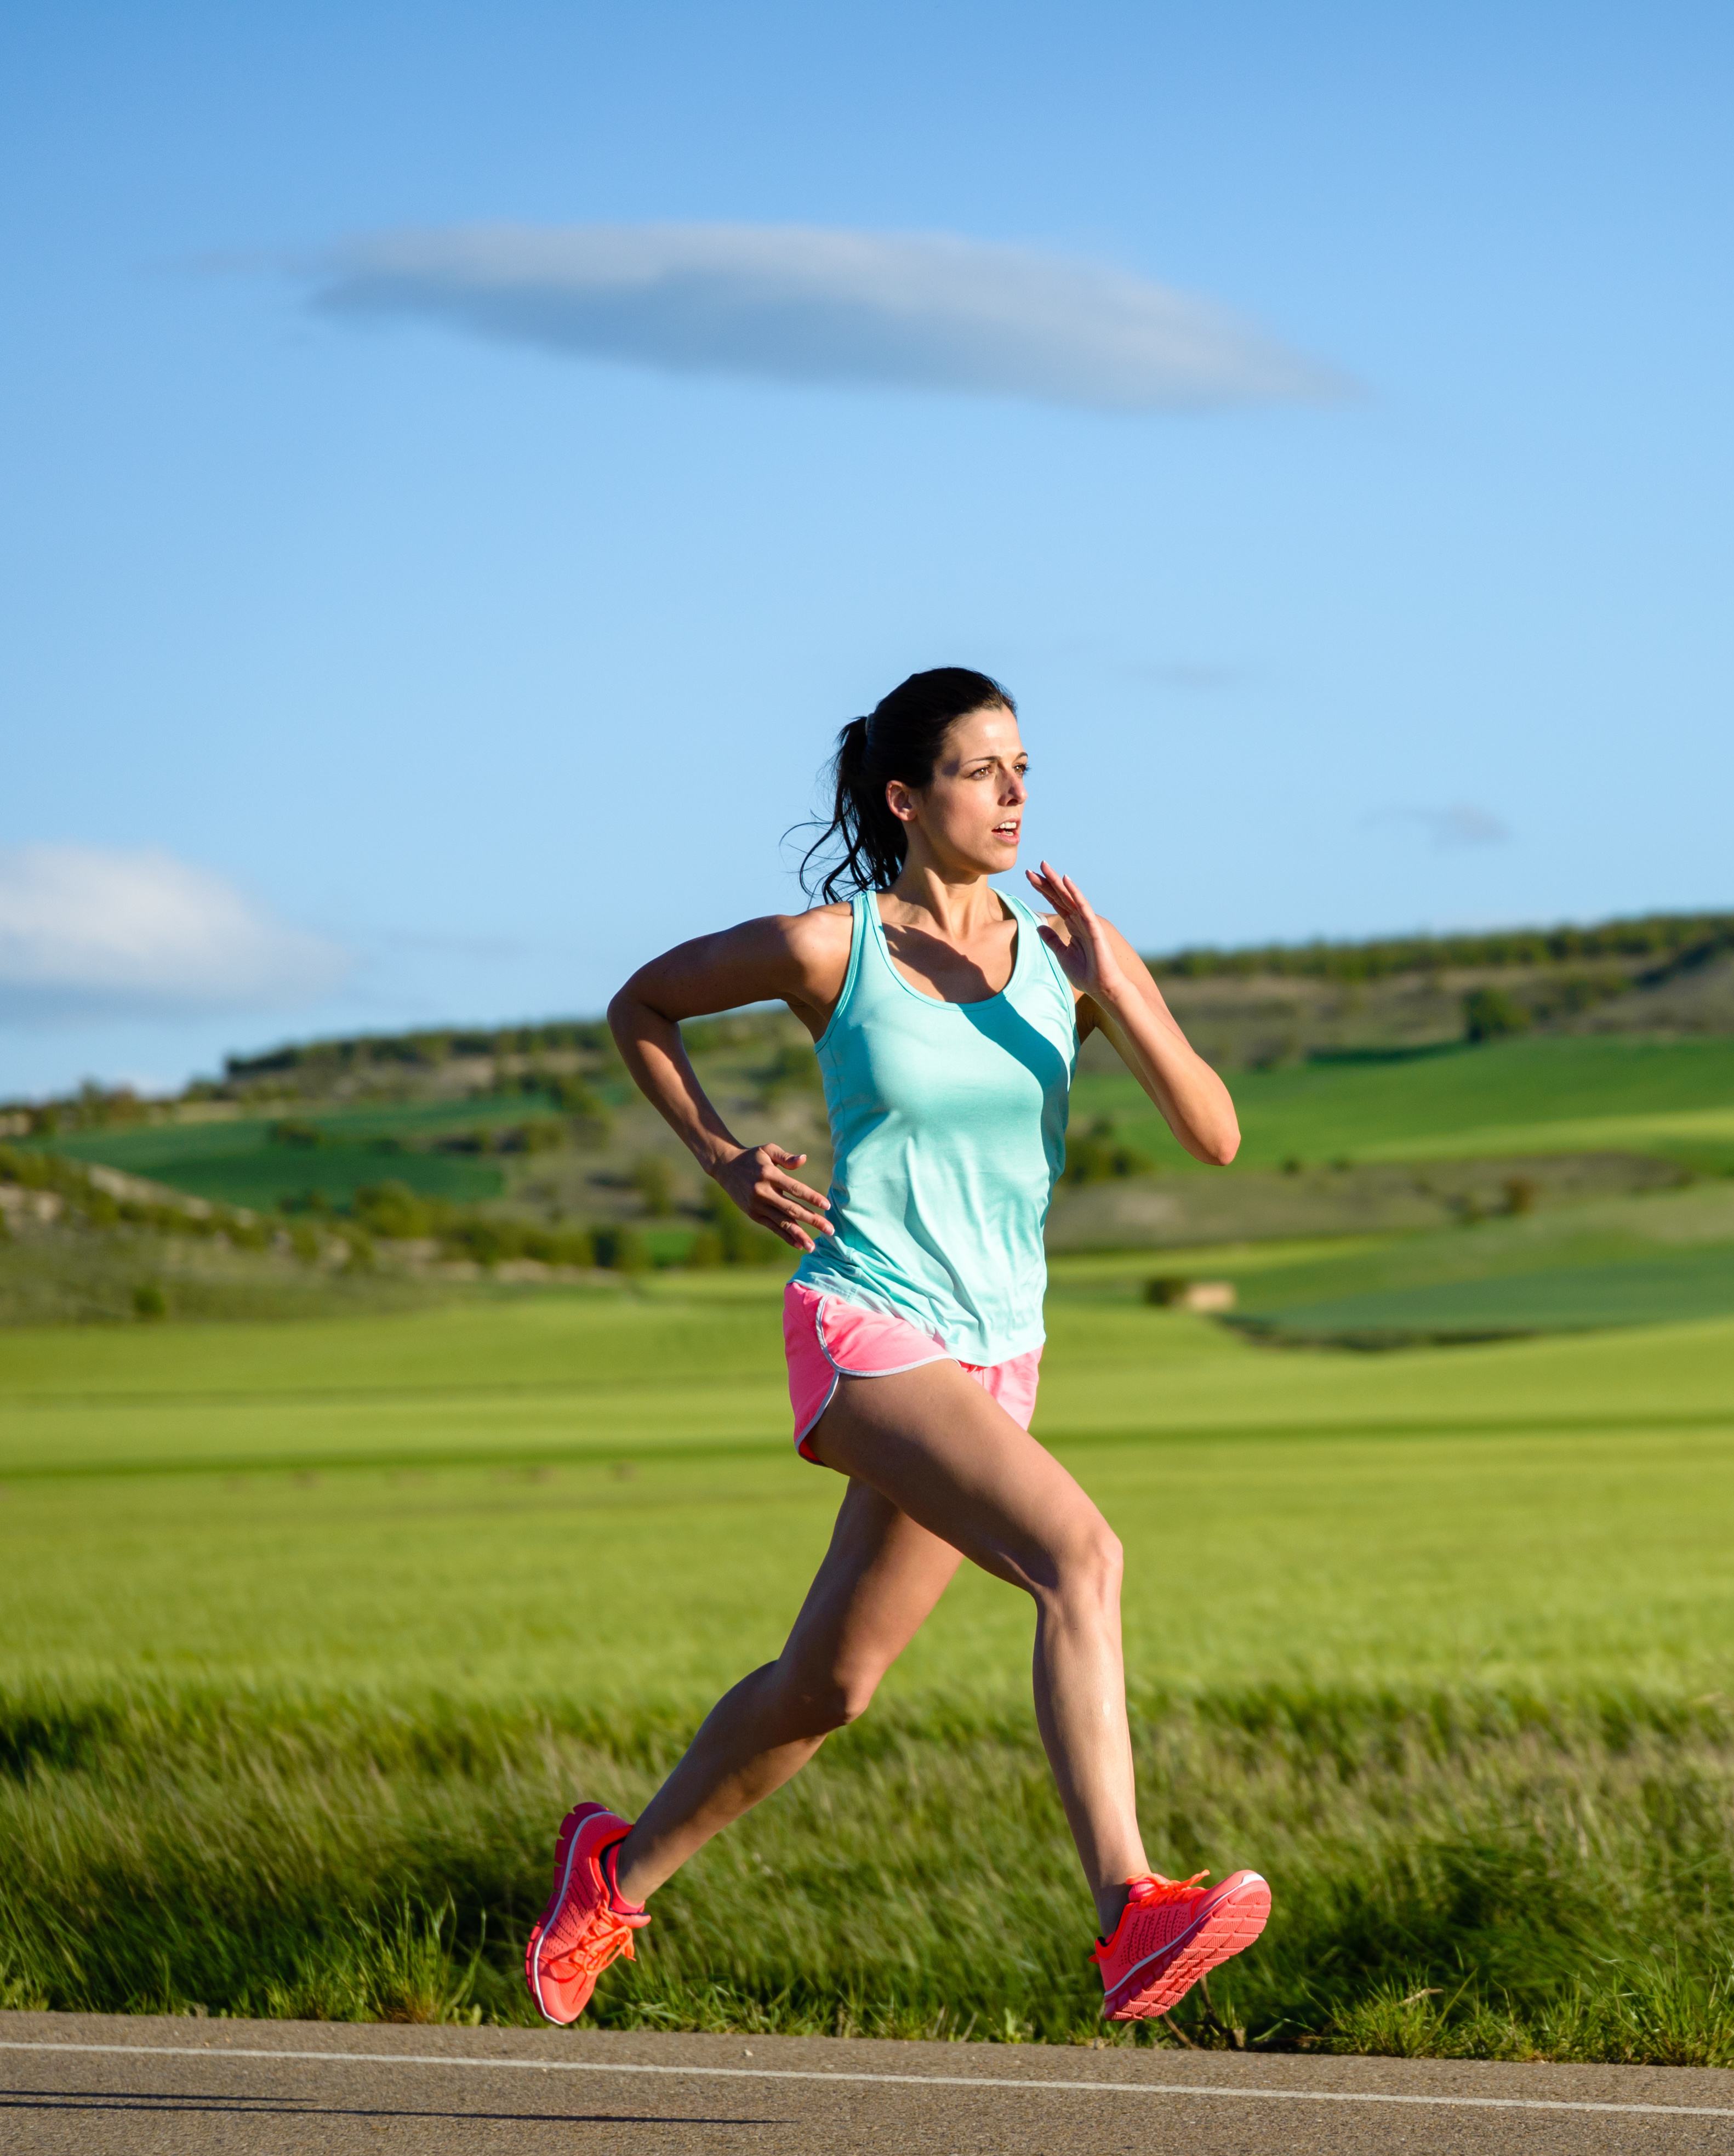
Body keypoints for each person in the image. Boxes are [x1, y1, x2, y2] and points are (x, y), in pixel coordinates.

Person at [522, 666, 1266, 2029]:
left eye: (1025, 766)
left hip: (995, 1356)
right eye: (984, 769)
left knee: (832, 1684)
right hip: (866, 1321)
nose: (1016, 792)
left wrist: (1121, 991)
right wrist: (718, 1157)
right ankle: (1129, 1912)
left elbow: (1214, 1133)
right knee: (1080, 1556)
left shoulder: (1068, 959)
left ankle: (612, 1877)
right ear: (907, 798)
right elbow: (642, 1003)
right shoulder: (831, 949)